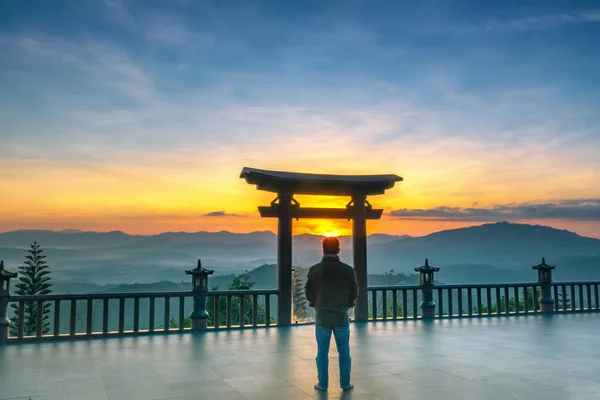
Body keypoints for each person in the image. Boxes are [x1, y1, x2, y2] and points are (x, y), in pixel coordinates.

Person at [305, 236, 358, 392]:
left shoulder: (315, 270)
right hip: (341, 316)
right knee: (344, 351)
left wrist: (316, 303)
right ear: (338, 250)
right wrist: (347, 304)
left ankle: (323, 384)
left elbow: (309, 291)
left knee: (322, 352)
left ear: (323, 249)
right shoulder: (348, 270)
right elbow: (354, 291)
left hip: (322, 317)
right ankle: (345, 384)